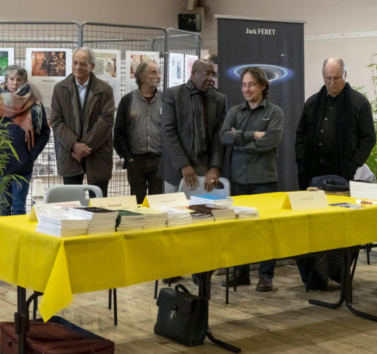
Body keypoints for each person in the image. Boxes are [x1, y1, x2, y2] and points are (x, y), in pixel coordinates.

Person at [219, 67, 284, 292]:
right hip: (239, 178)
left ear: (263, 86)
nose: (246, 89)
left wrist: (240, 140)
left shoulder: (275, 112)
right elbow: (224, 136)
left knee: (265, 229)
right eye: (244, 85)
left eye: (251, 85)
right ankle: (241, 273)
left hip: (264, 179)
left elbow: (271, 142)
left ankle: (266, 276)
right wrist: (253, 135)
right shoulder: (236, 111)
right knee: (241, 229)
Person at [295, 57, 376, 190]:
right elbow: (300, 134)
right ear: (323, 76)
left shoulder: (359, 103)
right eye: (328, 78)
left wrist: (352, 165)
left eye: (337, 78)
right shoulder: (312, 103)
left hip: (343, 170)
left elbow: (368, 138)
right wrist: (302, 160)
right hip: (312, 168)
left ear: (345, 74)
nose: (332, 82)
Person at [0, 65, 50, 215]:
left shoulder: (33, 103)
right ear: (6, 81)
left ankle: (17, 239)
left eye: (19, 79)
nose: (15, 83)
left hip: (22, 165)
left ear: (25, 81)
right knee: (2, 208)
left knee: (19, 208)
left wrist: (30, 156)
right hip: (0, 165)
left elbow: (44, 132)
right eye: (11, 79)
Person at [50, 47, 115, 197]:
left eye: (83, 64)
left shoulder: (105, 90)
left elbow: (106, 120)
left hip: (97, 154)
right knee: (72, 204)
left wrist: (84, 146)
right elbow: (56, 121)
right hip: (70, 154)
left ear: (92, 66)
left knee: (98, 204)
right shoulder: (60, 89)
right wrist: (74, 145)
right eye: (75, 63)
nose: (78, 67)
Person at [160, 59, 227, 194]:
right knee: (176, 213)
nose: (211, 79)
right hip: (176, 170)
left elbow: (219, 136)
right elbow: (168, 132)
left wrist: (215, 167)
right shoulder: (173, 95)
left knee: (206, 212)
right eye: (207, 74)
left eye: (214, 75)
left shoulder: (220, 99)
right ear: (193, 73)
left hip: (207, 171)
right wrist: (183, 165)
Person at [113, 61, 163, 204]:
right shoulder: (127, 101)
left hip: (158, 161)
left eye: (159, 72)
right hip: (136, 161)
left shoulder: (166, 100)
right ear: (142, 76)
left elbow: (171, 131)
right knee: (137, 204)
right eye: (154, 72)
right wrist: (128, 158)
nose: (158, 76)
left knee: (157, 204)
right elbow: (118, 134)